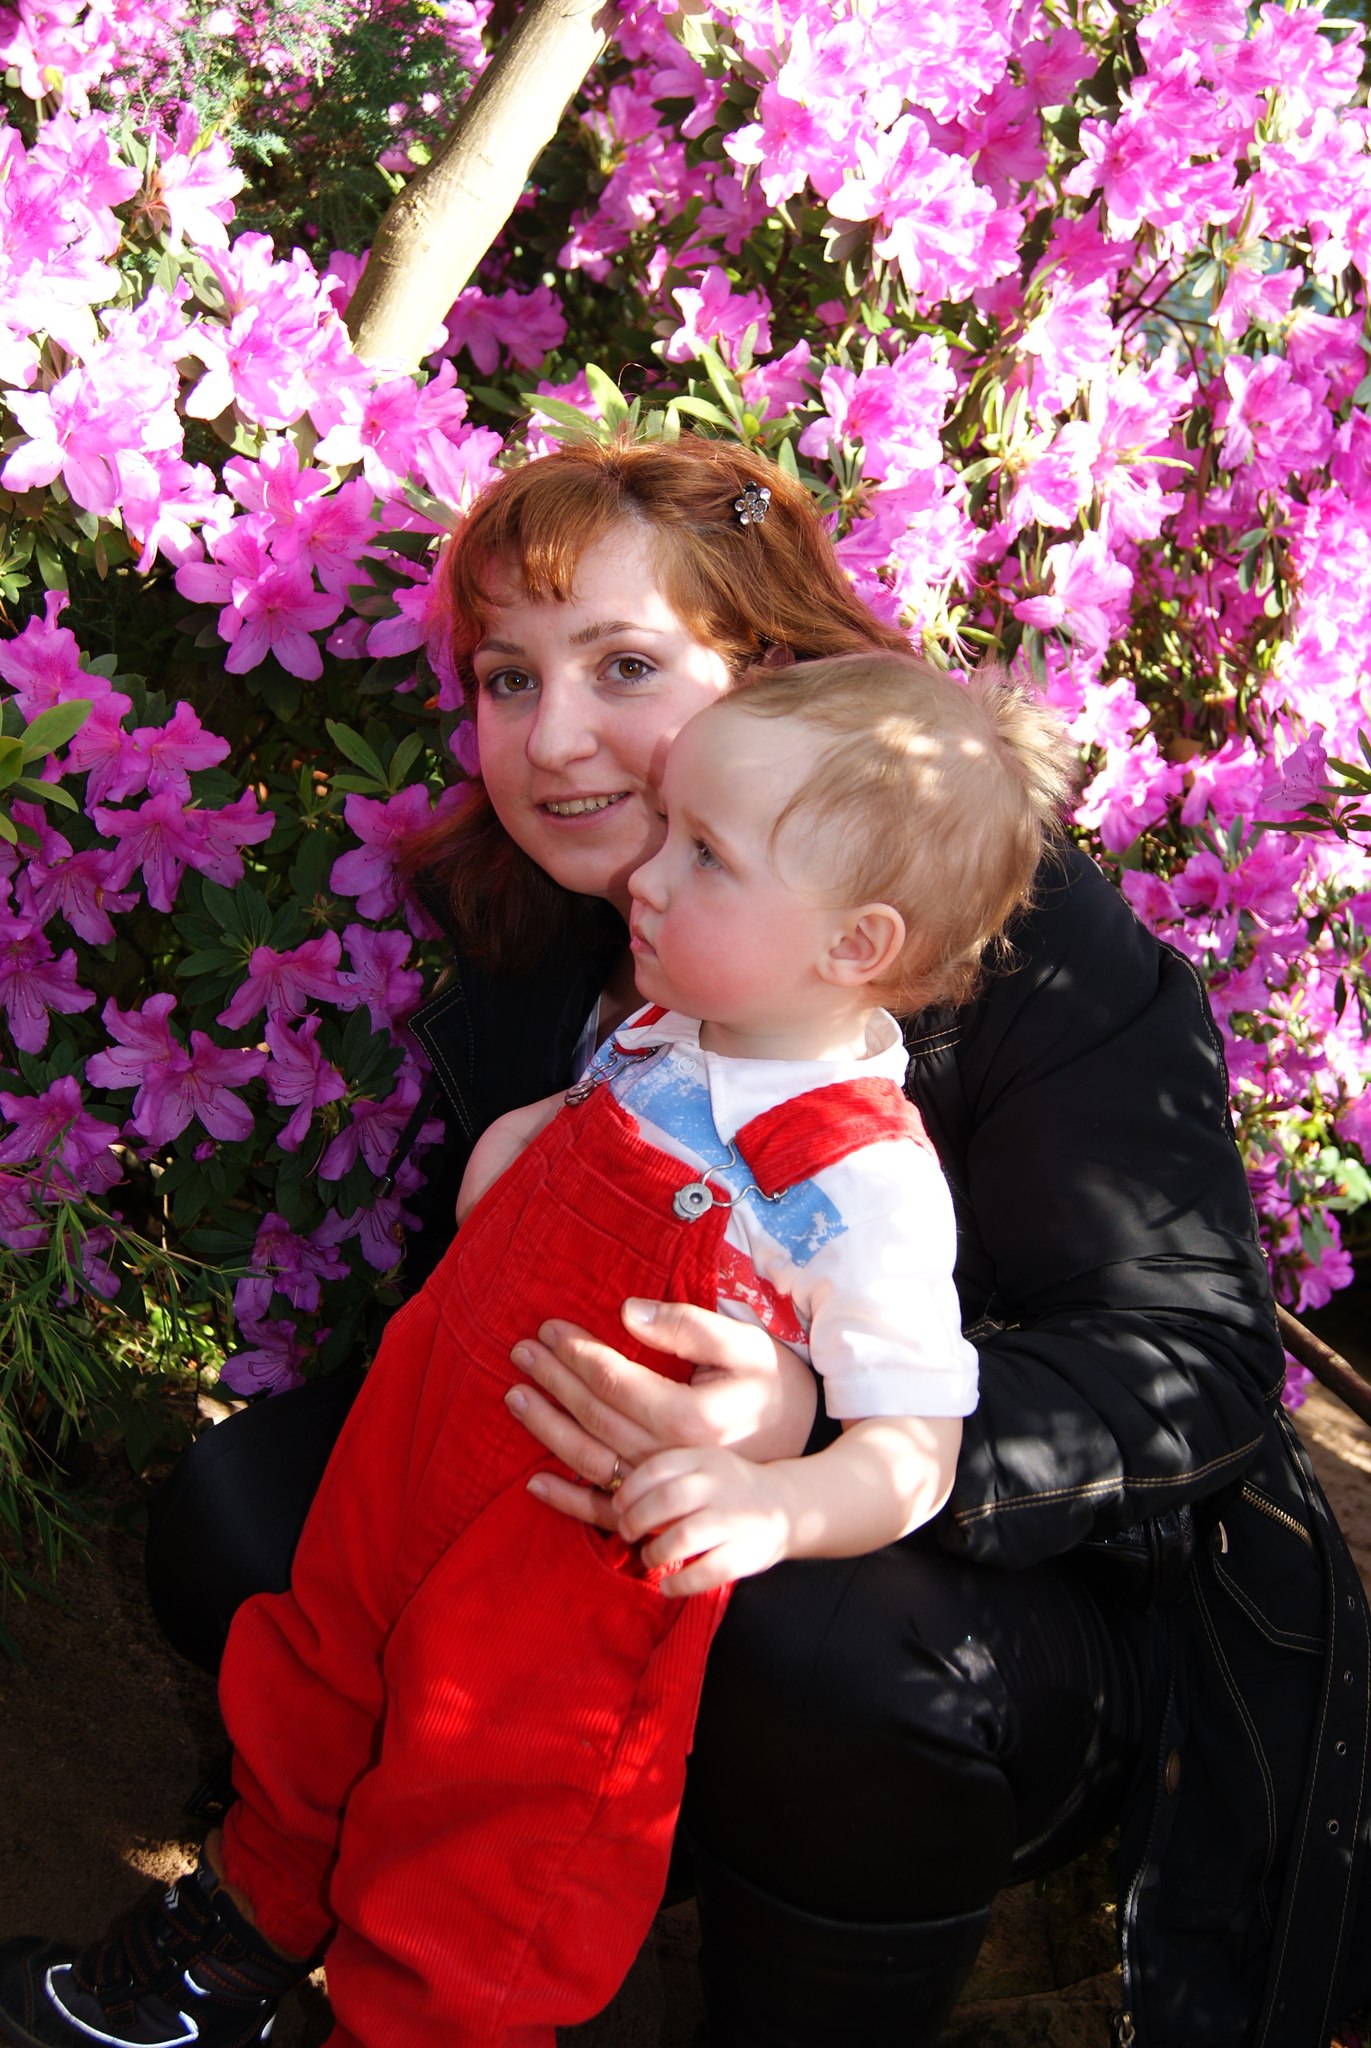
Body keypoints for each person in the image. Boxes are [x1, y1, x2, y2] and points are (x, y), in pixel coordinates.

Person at [113, 437, 1368, 2045]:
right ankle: (277, 1924)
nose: (553, 739)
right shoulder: (578, 908)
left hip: (997, 1588)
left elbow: (1193, 1363)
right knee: (258, 1523)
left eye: (625, 666)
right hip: (594, 1510)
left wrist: (809, 1423)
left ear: (770, 671)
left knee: (813, 1636)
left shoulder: (1005, 931)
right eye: (508, 678)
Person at [0, 653, 1077, 2048]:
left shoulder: (857, 1177)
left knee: (485, 1837)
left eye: (706, 855)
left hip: (572, 1559)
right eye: (668, 829)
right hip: (421, 1454)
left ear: (855, 945)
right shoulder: (669, 1033)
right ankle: (227, 1959)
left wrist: (778, 1504)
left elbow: (915, 1447)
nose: (649, 873)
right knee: (320, 1684)